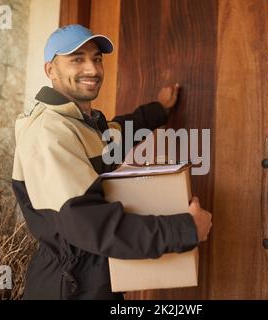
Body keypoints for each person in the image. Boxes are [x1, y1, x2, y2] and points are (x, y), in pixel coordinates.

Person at [11, 24, 212, 300]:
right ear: (50, 70)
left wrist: (159, 109)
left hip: (90, 281)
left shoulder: (83, 125)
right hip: (68, 289)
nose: (92, 70)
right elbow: (88, 225)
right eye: (76, 59)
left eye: (96, 59)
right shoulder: (49, 132)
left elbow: (121, 132)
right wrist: (185, 230)